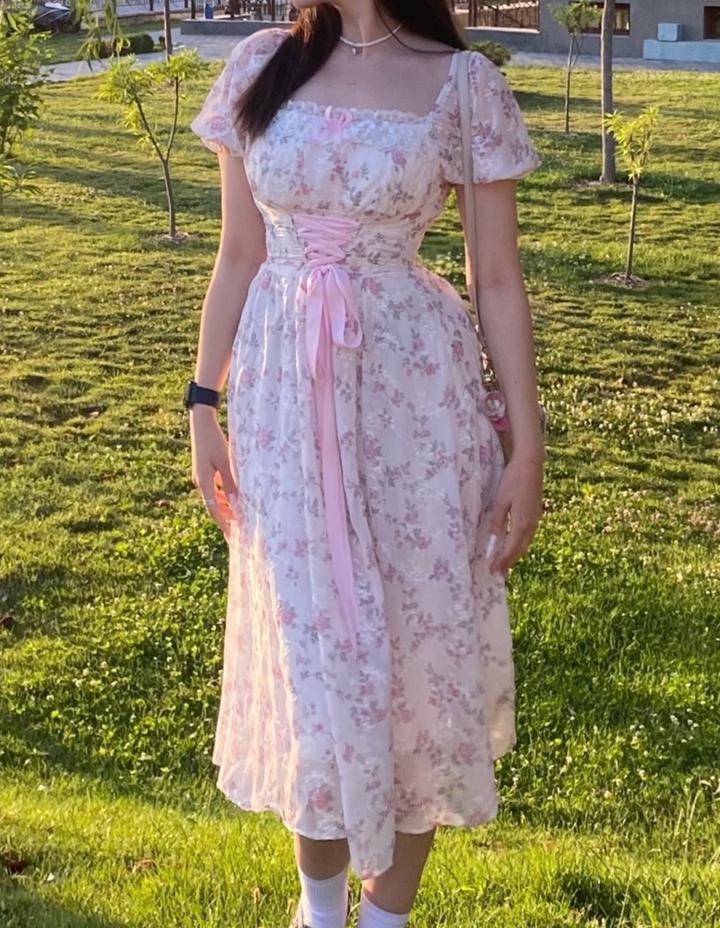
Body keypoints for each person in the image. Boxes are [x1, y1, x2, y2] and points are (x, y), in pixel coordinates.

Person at [187, 1, 545, 925]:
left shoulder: (462, 85)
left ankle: (384, 917)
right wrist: (202, 403)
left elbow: (496, 278)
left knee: (419, 651)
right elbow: (239, 252)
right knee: (311, 654)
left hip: (414, 405)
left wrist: (527, 443)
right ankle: (317, 910)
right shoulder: (261, 65)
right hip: (282, 407)